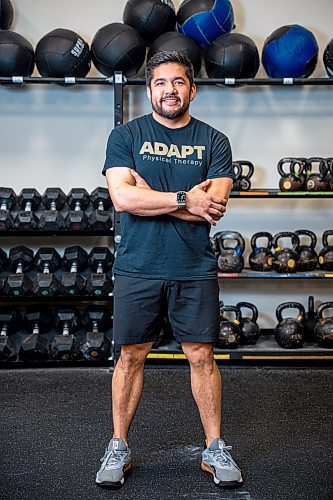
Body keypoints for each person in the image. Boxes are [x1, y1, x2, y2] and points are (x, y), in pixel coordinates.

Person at [96, 50, 243, 489]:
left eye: (179, 82)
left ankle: (214, 446)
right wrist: (185, 199)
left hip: (193, 268)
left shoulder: (215, 141)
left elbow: (212, 209)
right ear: (149, 90)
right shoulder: (125, 136)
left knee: (201, 356)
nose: (170, 90)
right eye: (161, 83)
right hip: (138, 266)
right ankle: (119, 445)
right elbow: (123, 201)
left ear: (192, 89)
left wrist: (154, 196)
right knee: (130, 356)